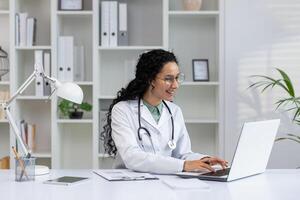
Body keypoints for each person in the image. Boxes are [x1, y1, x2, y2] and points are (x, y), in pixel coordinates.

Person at [100, 49, 227, 174]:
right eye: (168, 79)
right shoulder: (123, 110)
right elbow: (132, 157)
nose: (176, 85)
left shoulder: (175, 111)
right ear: (150, 80)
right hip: (130, 182)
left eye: (177, 78)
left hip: (166, 181)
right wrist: (183, 165)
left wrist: (203, 160)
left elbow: (182, 154)